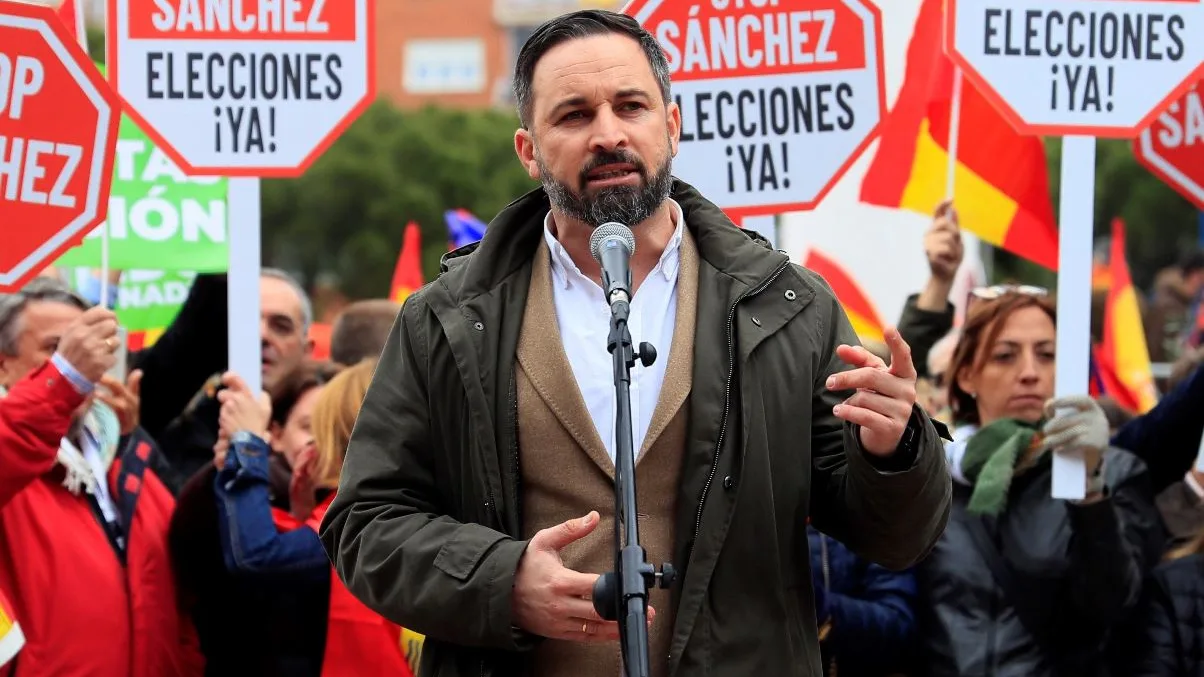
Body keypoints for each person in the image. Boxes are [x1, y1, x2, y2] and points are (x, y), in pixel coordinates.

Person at [319, 10, 951, 677]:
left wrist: (894, 449)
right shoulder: (444, 319)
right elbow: (366, 523)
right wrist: (499, 580)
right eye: (573, 115)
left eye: (631, 106)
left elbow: (896, 537)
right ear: (528, 149)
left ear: (671, 126)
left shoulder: (787, 305)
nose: (608, 134)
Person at [914, 289, 1162, 676]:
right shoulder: (929, 477)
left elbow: (1112, 604)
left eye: (1047, 355)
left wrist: (1090, 492)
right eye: (1005, 355)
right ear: (966, 375)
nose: (1029, 371)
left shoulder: (1114, 473)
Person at [0, 278, 202, 676]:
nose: (82, 364)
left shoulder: (122, 458)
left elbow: (180, 607)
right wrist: (61, 382)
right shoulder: (12, 460)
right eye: (56, 349)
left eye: (91, 351)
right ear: (3, 362)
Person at [214, 360, 413, 677]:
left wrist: (247, 444)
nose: (314, 444)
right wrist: (305, 513)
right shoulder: (403, 499)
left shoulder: (368, 515)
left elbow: (256, 556)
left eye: (318, 429)